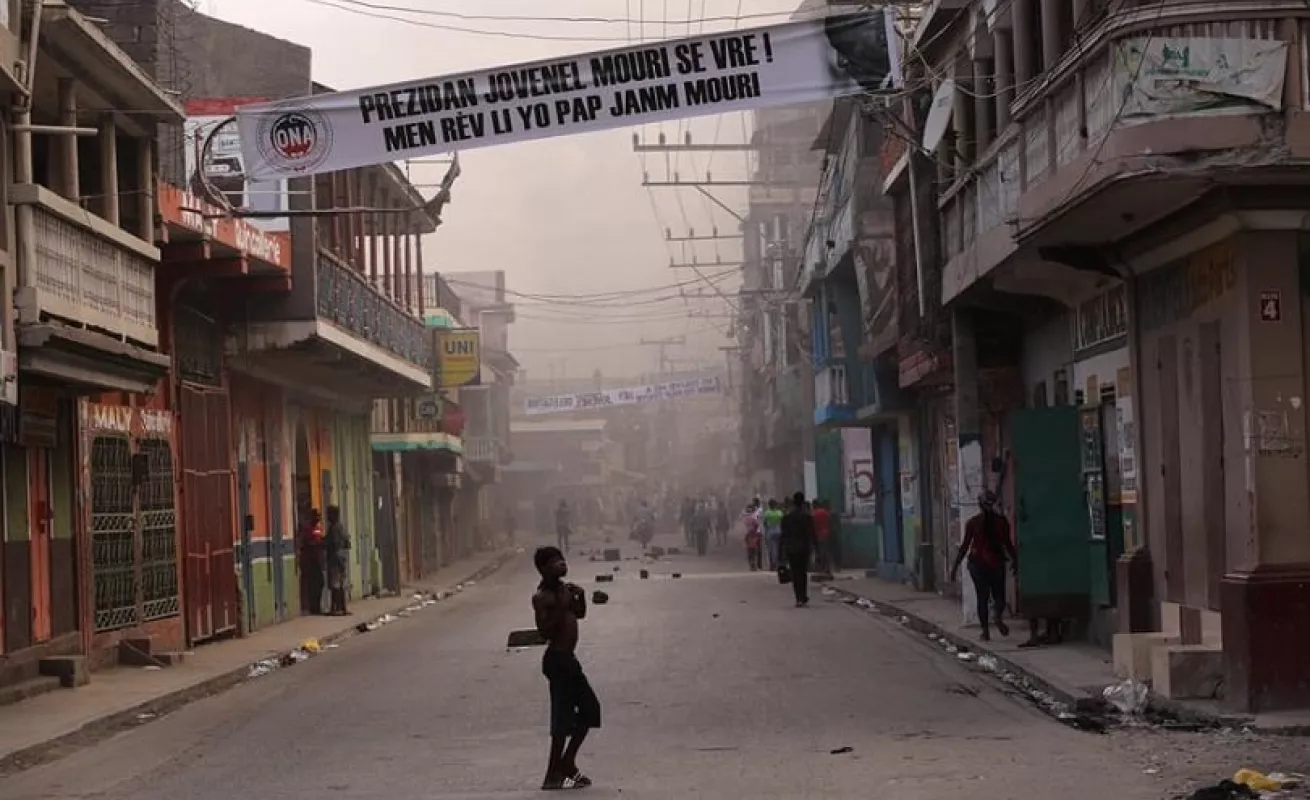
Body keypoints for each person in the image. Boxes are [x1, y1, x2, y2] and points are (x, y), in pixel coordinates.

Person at [532, 546, 600, 791]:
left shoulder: (564, 590)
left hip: (568, 660)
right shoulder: (543, 597)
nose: (560, 564)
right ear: (542, 569)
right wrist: (563, 603)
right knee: (562, 720)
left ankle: (567, 763)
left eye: (561, 559)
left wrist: (578, 597)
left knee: (590, 710)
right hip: (557, 660)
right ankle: (553, 773)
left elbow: (578, 614)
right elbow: (545, 630)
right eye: (553, 562)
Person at [950, 491, 1018, 641]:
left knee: (982, 597)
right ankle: (997, 615)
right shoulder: (1002, 522)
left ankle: (985, 632)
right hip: (996, 563)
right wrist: (1015, 560)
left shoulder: (973, 523)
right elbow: (1008, 544)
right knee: (999, 596)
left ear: (979, 504)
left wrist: (955, 568)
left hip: (977, 564)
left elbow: (964, 547)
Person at [779, 491, 816, 607]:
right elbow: (812, 534)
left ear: (794, 502)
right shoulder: (807, 517)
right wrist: (816, 549)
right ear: (803, 502)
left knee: (795, 574)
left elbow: (783, 536)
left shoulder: (787, 518)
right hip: (804, 549)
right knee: (803, 572)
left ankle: (798, 598)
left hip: (791, 549)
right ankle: (803, 596)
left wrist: (781, 553)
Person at [324, 505, 351, 616]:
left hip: (335, 559)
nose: (327, 517)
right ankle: (342, 608)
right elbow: (347, 543)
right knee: (341, 584)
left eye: (329, 514)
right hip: (342, 559)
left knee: (335, 585)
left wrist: (323, 543)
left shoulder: (334, 528)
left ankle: (335, 609)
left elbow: (333, 544)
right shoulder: (341, 527)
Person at [299, 508, 325, 615]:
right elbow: (307, 542)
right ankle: (314, 607)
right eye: (316, 516)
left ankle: (317, 606)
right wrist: (317, 544)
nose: (318, 518)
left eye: (319, 516)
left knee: (320, 583)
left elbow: (320, 539)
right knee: (313, 585)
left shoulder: (319, 528)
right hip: (311, 561)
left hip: (318, 559)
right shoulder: (308, 529)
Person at [762, 499, 784, 571]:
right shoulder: (779, 513)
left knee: (771, 550)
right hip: (779, 532)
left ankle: (772, 565)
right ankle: (777, 564)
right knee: (777, 549)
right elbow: (782, 522)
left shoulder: (767, 513)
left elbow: (764, 523)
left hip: (770, 533)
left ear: (769, 505)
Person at [812, 499, 833, 575]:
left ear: (814, 505)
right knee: (825, 552)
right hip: (827, 534)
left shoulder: (815, 514)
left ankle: (822, 568)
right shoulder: (826, 513)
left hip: (819, 535)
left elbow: (814, 526)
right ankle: (827, 568)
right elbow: (830, 523)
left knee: (821, 552)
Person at [742, 501, 763, 571]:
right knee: (754, 550)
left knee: (750, 551)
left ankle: (752, 564)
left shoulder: (745, 517)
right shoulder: (753, 517)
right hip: (754, 535)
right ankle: (755, 564)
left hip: (749, 536)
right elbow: (757, 525)